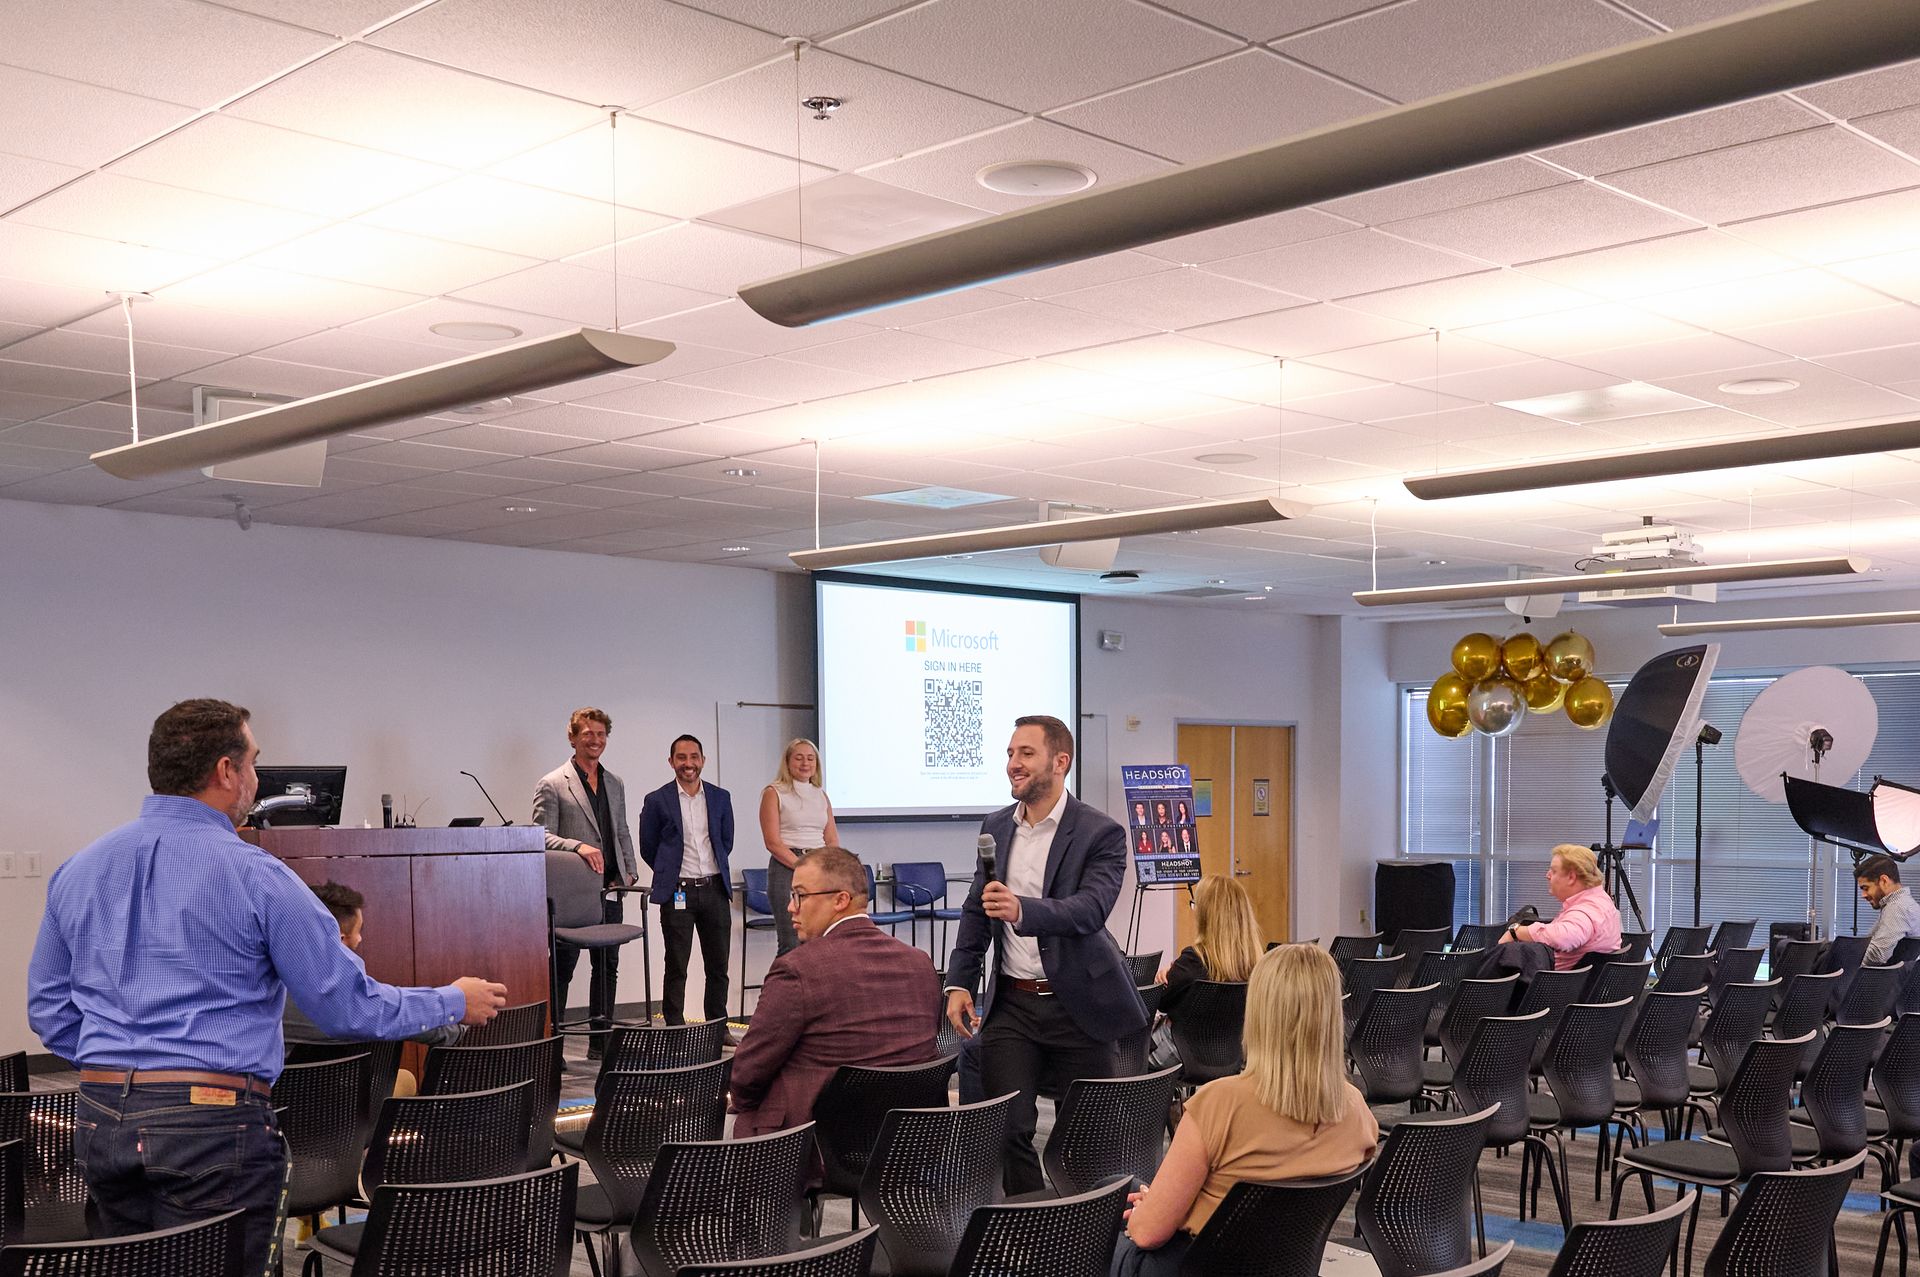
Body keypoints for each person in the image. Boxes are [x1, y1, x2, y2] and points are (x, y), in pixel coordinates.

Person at [27, 699, 506, 1277]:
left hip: (102, 1118)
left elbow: (51, 1011)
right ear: (226, 772)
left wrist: (130, 1066)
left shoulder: (79, 869)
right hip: (213, 1126)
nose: (259, 776)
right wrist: (453, 999)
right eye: (255, 761)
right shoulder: (260, 876)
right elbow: (344, 1006)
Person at [945, 714, 1148, 1195]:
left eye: (1026, 754)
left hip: (1077, 1003)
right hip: (1012, 1004)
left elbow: (1090, 910)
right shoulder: (996, 826)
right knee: (1009, 1130)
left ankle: (1088, 1228)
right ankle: (1028, 1222)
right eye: (1010, 754)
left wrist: (1022, 910)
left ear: (1061, 762)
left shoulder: (1101, 832)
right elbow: (978, 908)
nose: (1013, 763)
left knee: (1088, 1138)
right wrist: (959, 982)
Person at [1112, 945, 1379, 1277]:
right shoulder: (1356, 1110)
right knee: (1122, 1186)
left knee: (1105, 1212)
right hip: (1288, 1264)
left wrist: (1152, 1211)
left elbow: (1148, 1234)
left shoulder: (1219, 1103)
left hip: (1199, 1266)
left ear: (1259, 1012)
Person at [730, 847, 939, 1137]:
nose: (791, 907)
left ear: (841, 900)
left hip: (814, 1151)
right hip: (905, 1145)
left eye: (800, 895)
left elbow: (747, 1075)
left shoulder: (796, 970)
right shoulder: (920, 962)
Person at [284, 880, 465, 1097]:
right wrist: (459, 1022)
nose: (360, 940)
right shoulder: (361, 1006)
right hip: (349, 1113)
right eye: (359, 932)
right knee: (403, 1080)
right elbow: (393, 1014)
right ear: (339, 939)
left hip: (281, 1108)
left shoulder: (271, 994)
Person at [533, 707, 640, 1056]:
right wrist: (577, 846)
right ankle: (553, 1047)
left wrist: (629, 867)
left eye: (601, 734)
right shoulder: (552, 783)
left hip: (610, 887)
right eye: (587, 734)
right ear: (573, 738)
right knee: (562, 970)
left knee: (607, 967)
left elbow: (620, 829)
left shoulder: (615, 782)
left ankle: (601, 1043)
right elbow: (539, 836)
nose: (595, 740)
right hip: (571, 893)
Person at [639, 734, 735, 1025]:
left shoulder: (720, 797)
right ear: (671, 762)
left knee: (718, 966)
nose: (688, 764)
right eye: (681, 758)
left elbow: (725, 841)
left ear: (703, 761)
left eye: (694, 757)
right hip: (677, 892)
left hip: (715, 889)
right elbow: (648, 847)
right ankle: (675, 1025)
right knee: (677, 964)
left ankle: (718, 1024)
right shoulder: (657, 800)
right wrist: (670, 872)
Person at [1487, 843, 1623, 980]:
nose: (1547, 875)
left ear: (1571, 877)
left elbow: (1565, 938)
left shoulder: (1585, 911)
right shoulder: (1603, 902)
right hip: (1577, 988)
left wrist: (1516, 931)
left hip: (1555, 991)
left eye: (1554, 871)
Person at [758, 738, 840, 956]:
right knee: (791, 943)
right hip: (786, 868)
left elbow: (831, 838)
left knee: (819, 943)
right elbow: (773, 842)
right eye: (799, 758)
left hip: (820, 866)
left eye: (810, 758)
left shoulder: (820, 795)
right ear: (787, 762)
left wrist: (826, 867)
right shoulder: (773, 792)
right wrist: (803, 867)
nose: (805, 763)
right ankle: (783, 990)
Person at [1158, 876, 1263, 1015]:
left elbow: (1163, 1003)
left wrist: (1163, 981)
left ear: (1206, 916)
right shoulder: (1257, 963)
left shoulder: (1194, 960)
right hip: (1240, 1036)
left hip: (1187, 1036)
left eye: (1195, 905)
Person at [1858, 854, 1920, 964]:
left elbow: (1877, 955)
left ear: (1884, 881)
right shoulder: (1900, 904)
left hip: (1886, 980)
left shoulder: (1898, 908)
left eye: (1866, 888)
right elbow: (1867, 942)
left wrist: (1846, 969)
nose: (1863, 895)